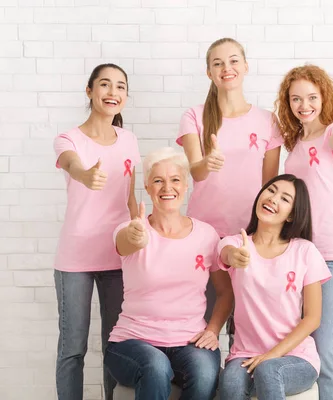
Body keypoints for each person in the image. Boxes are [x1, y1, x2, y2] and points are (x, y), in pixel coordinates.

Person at [103, 147, 233, 400]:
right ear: (148, 187)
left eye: (175, 180)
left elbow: (226, 291)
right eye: (158, 181)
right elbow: (126, 241)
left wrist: (213, 330)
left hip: (190, 340)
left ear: (186, 186)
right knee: (156, 365)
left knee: (205, 373)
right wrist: (137, 236)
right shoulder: (130, 229)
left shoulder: (206, 235)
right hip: (132, 341)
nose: (167, 188)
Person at [177, 37, 282, 325]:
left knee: (246, 327)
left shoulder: (268, 121)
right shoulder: (194, 116)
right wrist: (206, 164)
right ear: (209, 72)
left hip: (249, 235)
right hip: (203, 235)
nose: (227, 68)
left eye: (234, 60)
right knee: (203, 322)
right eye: (218, 63)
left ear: (246, 67)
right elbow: (195, 172)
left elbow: (269, 186)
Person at [53, 63, 140, 400]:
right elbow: (72, 164)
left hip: (118, 255)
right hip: (75, 259)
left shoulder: (129, 140)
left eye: (120, 87)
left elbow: (131, 197)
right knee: (72, 348)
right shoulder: (69, 138)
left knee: (114, 347)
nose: (112, 92)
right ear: (89, 91)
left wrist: (141, 236)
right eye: (105, 85)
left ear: (126, 97)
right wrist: (86, 175)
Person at [275, 64, 333, 400]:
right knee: (300, 339)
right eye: (296, 99)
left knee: (325, 346)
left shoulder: (332, 132)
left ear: (324, 98)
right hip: (298, 257)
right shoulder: (295, 142)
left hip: (332, 257)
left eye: (311, 97)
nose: (303, 104)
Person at [218, 174, 331, 400]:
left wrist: (271, 355)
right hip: (245, 355)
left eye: (285, 198)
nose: (273, 199)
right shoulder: (236, 244)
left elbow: (313, 318)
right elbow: (226, 254)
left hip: (296, 357)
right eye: (271, 190)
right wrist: (236, 257)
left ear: (291, 215)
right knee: (229, 384)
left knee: (268, 371)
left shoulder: (305, 252)